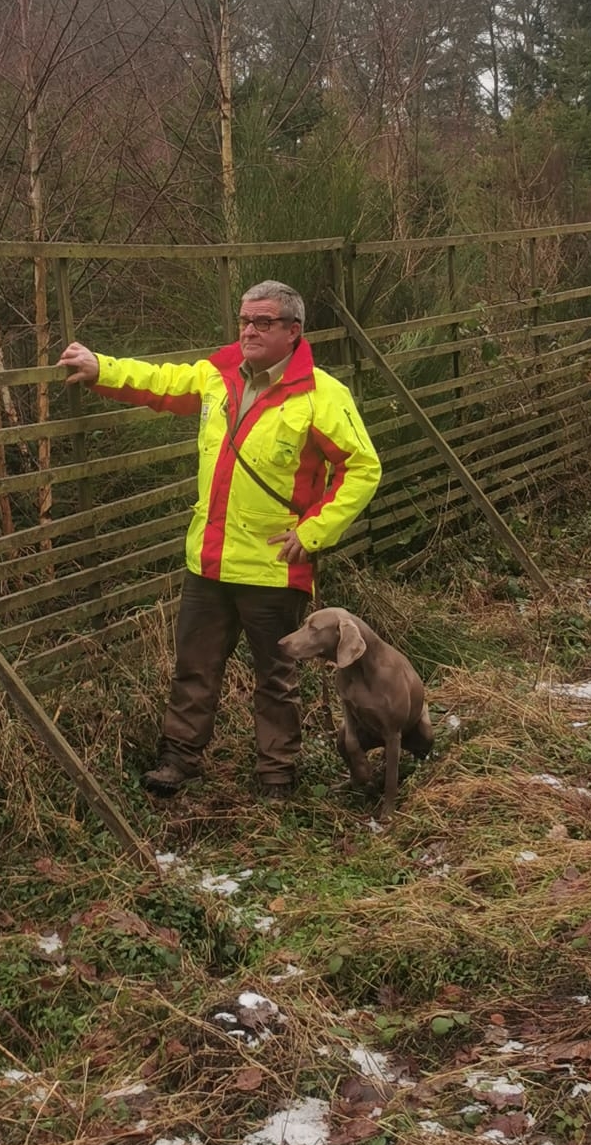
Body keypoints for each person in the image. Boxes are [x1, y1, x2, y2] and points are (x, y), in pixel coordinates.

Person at [59, 280, 382, 798]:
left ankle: (276, 776)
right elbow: (162, 383)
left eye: (264, 322)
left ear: (293, 332)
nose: (249, 330)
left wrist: (314, 533)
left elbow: (362, 468)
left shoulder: (322, 396)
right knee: (194, 668)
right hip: (208, 563)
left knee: (276, 679)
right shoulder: (217, 375)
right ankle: (178, 761)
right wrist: (103, 367)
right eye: (244, 320)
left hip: (274, 566)